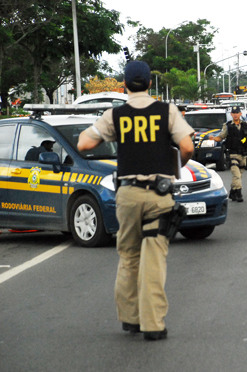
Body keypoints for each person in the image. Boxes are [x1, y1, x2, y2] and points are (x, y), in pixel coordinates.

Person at [77, 60, 195, 341]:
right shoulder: (167, 111)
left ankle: (130, 319)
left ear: (124, 85)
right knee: (154, 257)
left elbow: (83, 144)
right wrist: (174, 165)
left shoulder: (114, 115)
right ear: (151, 84)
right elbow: (187, 146)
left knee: (128, 255)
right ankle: (153, 324)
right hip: (158, 193)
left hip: (128, 194)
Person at [209, 106, 247, 202]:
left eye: (237, 113)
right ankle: (239, 194)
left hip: (243, 154)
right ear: (231, 114)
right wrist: (213, 138)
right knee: (236, 175)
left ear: (240, 114)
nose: (235, 114)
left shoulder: (245, 125)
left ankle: (233, 192)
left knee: (239, 175)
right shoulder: (227, 126)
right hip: (233, 153)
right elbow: (221, 136)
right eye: (234, 113)